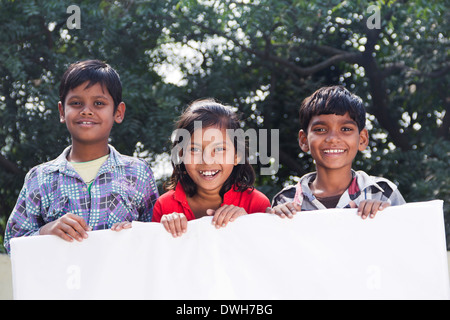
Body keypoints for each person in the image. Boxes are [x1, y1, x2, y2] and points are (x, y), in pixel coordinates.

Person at [3, 60, 159, 254]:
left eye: (99, 103)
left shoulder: (138, 173)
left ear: (118, 112)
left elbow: (157, 238)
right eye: (76, 103)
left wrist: (137, 233)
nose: (86, 110)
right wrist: (45, 231)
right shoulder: (40, 177)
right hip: (63, 283)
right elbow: (12, 242)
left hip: (122, 282)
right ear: (62, 111)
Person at [113, 99, 270, 237]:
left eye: (220, 149)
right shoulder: (165, 205)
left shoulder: (256, 204)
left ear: (237, 155)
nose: (207, 160)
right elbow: (157, 258)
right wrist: (157, 230)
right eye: (194, 149)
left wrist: (249, 223)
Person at [268, 85, 405, 220]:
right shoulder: (286, 200)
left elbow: (408, 236)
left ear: (362, 139)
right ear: (304, 140)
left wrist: (385, 216)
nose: (333, 139)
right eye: (320, 130)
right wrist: (275, 219)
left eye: (345, 129)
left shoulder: (383, 193)